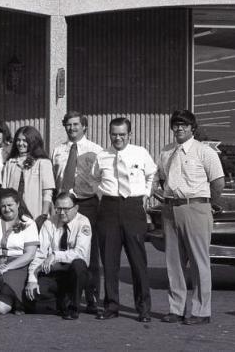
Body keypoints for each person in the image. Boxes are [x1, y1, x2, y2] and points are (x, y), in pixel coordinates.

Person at [155, 108, 225, 326]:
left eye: (184, 125)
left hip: (195, 208)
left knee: (198, 261)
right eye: (176, 124)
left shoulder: (204, 152)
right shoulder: (167, 152)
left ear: (192, 128)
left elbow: (218, 182)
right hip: (170, 210)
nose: (179, 128)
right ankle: (176, 309)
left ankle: (201, 311)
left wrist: (210, 205)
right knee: (173, 262)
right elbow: (160, 178)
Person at [90, 115, 155, 324]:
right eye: (114, 134)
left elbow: (152, 175)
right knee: (109, 261)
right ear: (109, 134)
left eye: (122, 135)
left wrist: (145, 195)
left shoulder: (141, 153)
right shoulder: (102, 156)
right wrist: (102, 195)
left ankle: (144, 308)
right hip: (108, 208)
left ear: (130, 134)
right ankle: (111, 306)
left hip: (133, 207)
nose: (118, 138)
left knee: (138, 261)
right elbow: (93, 178)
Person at [51, 109, 104, 314]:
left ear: (84, 126)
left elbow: (101, 179)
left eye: (75, 124)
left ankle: (91, 298)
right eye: (68, 125)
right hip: (63, 204)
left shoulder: (96, 150)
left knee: (89, 251)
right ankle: (66, 296)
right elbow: (57, 177)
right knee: (62, 245)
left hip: (86, 203)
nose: (71, 128)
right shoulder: (58, 150)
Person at [24, 191, 92, 319]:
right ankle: (61, 302)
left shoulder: (83, 222)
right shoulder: (49, 223)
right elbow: (39, 254)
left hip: (74, 274)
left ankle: (74, 308)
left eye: (66, 209)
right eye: (58, 208)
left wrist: (55, 255)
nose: (61, 212)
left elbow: (80, 253)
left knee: (79, 264)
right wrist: (32, 280)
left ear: (76, 208)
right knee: (30, 300)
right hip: (54, 274)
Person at [0, 188, 40, 314]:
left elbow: (30, 255)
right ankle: (13, 299)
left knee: (2, 304)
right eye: (3, 206)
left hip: (17, 265)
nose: (6, 209)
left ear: (18, 204)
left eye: (10, 205)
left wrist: (6, 267)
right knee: (0, 309)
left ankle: (17, 299)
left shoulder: (29, 223)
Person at [3, 125, 55, 224]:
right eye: (18, 140)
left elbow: (47, 193)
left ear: (33, 141)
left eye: (25, 140)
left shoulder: (42, 162)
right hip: (13, 214)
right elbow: (4, 190)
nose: (20, 143)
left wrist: (43, 216)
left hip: (35, 214)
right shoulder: (11, 163)